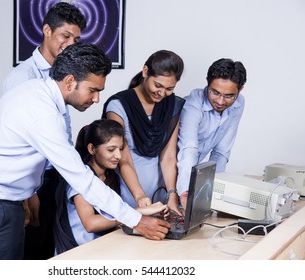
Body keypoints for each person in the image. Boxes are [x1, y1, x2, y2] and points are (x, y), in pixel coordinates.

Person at [0, 43, 170, 260]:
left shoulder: (38, 93)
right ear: (69, 82)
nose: (96, 99)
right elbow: (81, 178)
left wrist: (25, 196)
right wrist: (136, 220)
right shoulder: (42, 112)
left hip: (1, 203)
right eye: (93, 90)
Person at [3, 2, 86, 259]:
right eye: (65, 36)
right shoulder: (23, 77)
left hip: (56, 176)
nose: (70, 44)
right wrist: (30, 192)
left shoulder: (63, 74)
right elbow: (16, 141)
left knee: (51, 250)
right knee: (32, 250)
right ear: (47, 30)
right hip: (35, 180)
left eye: (76, 38)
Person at [54, 119, 169, 255]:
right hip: (78, 253)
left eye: (120, 149)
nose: (118, 156)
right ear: (92, 149)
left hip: (103, 246)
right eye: (111, 150)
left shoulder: (110, 175)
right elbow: (91, 224)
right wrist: (139, 212)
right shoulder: (81, 180)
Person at [102, 50, 185, 215]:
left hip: (161, 193)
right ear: (145, 71)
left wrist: (172, 195)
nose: (162, 93)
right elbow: (123, 159)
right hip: (130, 192)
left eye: (169, 88)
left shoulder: (171, 105)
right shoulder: (119, 105)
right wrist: (140, 196)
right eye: (158, 85)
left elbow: (168, 156)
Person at [176, 58, 247, 210]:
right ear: (207, 84)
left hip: (190, 174)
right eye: (215, 92)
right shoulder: (193, 105)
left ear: (239, 90)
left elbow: (221, 152)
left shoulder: (239, 103)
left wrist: (214, 194)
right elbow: (188, 148)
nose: (221, 101)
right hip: (169, 173)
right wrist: (185, 191)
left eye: (229, 96)